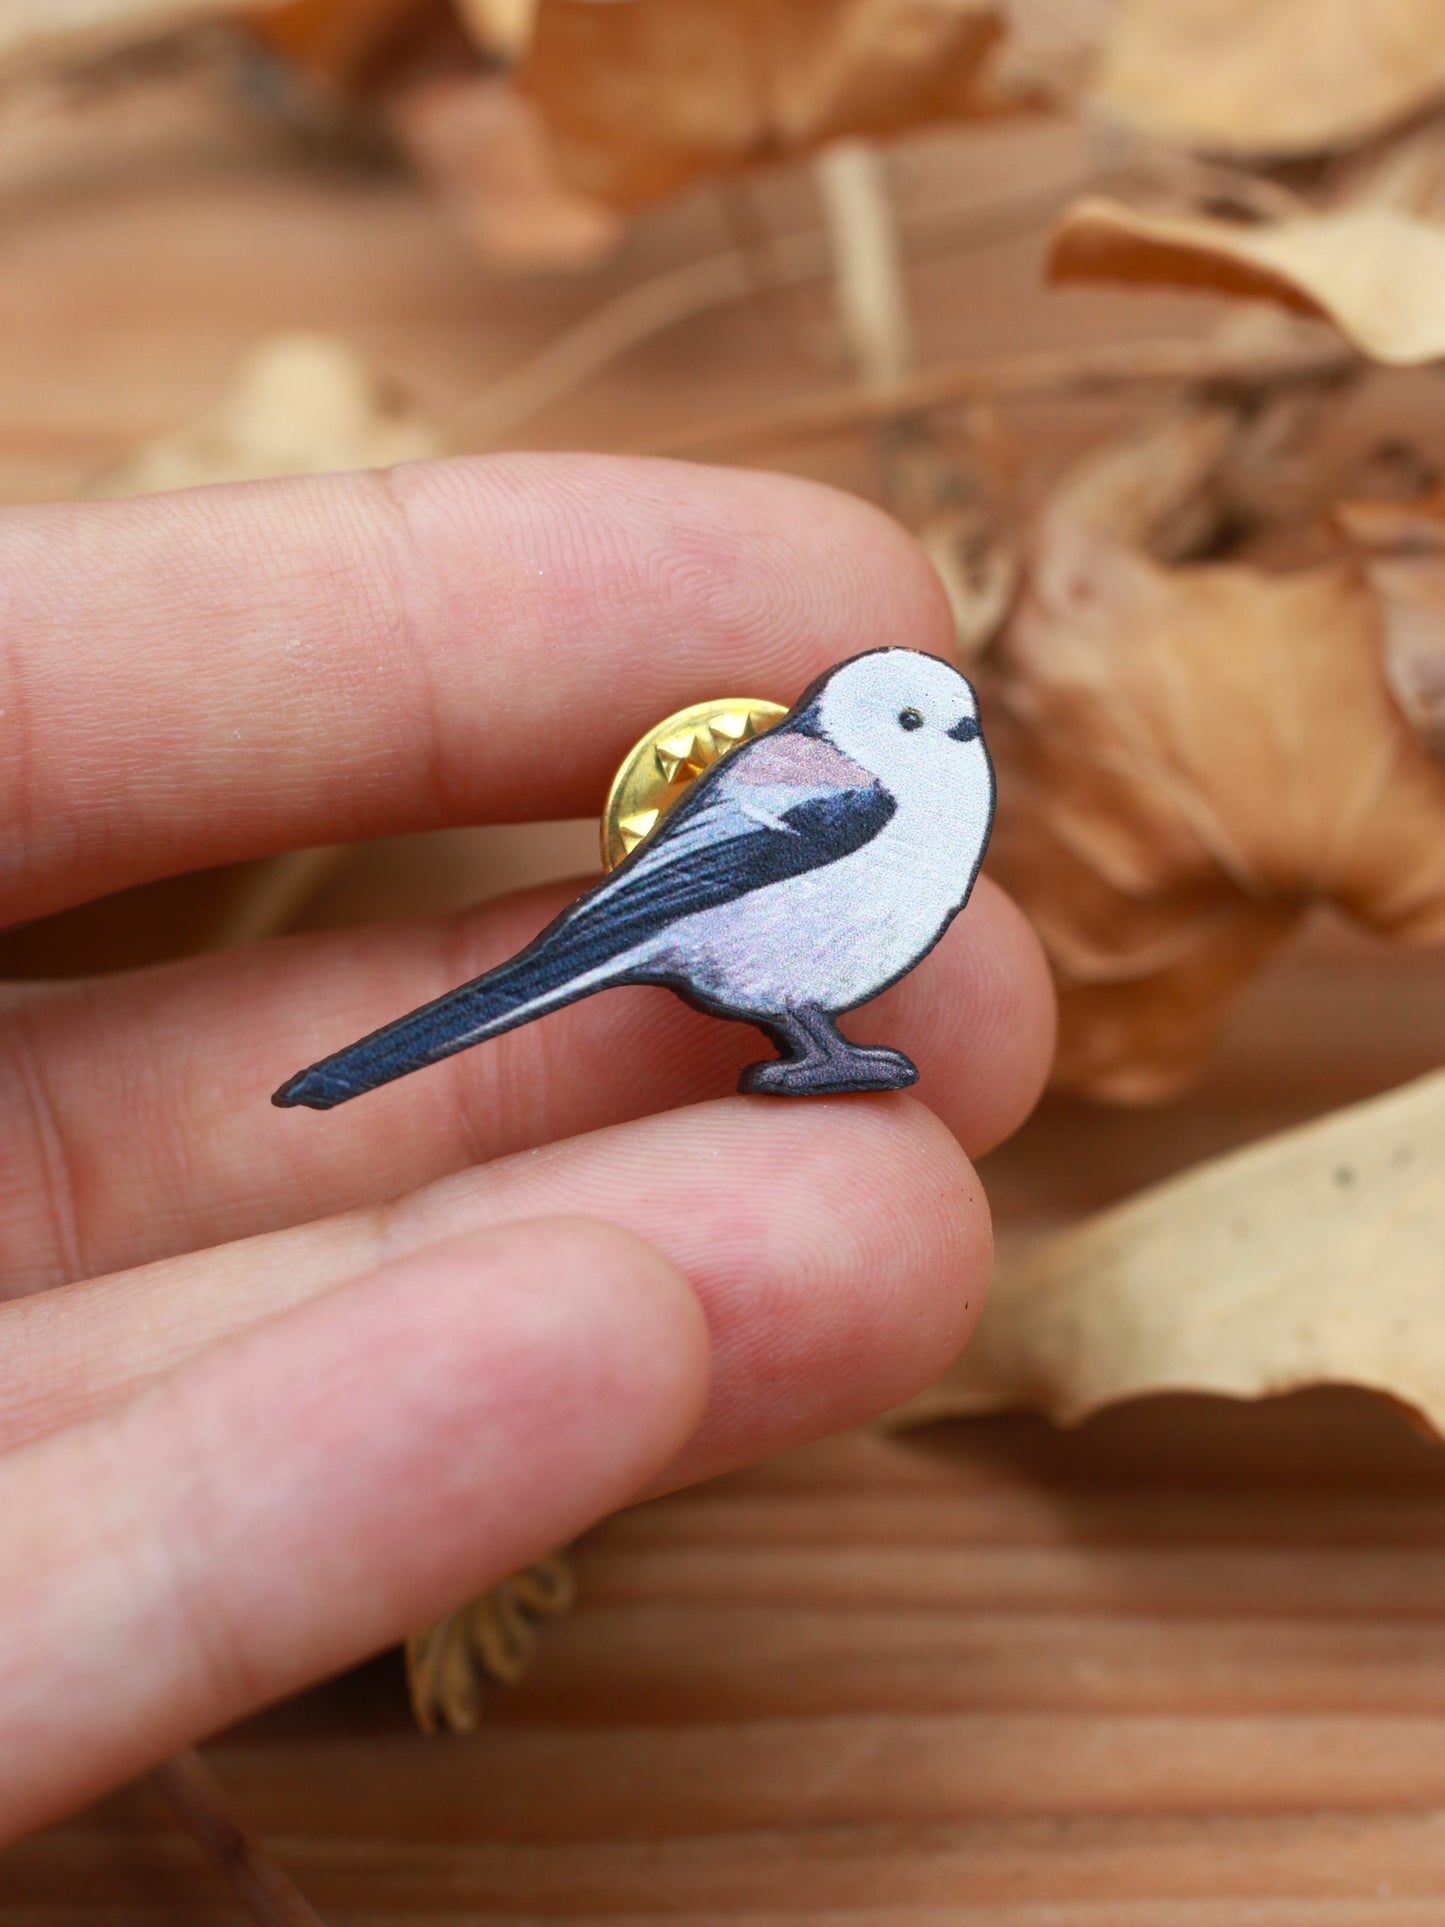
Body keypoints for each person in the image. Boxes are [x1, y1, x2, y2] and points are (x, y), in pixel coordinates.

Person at [0, 454, 1054, 1838]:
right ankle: (777, 1049)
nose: (939, 749)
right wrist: (603, 942)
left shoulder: (903, 786)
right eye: (913, 722)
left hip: (740, 957)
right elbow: (695, 881)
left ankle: (815, 1049)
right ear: (851, 723)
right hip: (700, 926)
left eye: (952, 727)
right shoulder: (841, 788)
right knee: (516, 1008)